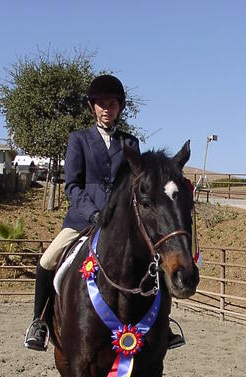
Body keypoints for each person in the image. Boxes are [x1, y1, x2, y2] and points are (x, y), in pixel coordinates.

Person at [24, 74, 185, 351]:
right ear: (92, 107)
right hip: (83, 220)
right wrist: (93, 214)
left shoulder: (130, 143)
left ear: (120, 107)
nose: (106, 109)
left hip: (122, 224)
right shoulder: (79, 140)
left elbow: (138, 185)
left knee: (156, 263)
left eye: (111, 104)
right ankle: (39, 322)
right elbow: (72, 186)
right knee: (47, 261)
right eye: (101, 104)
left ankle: (164, 324)